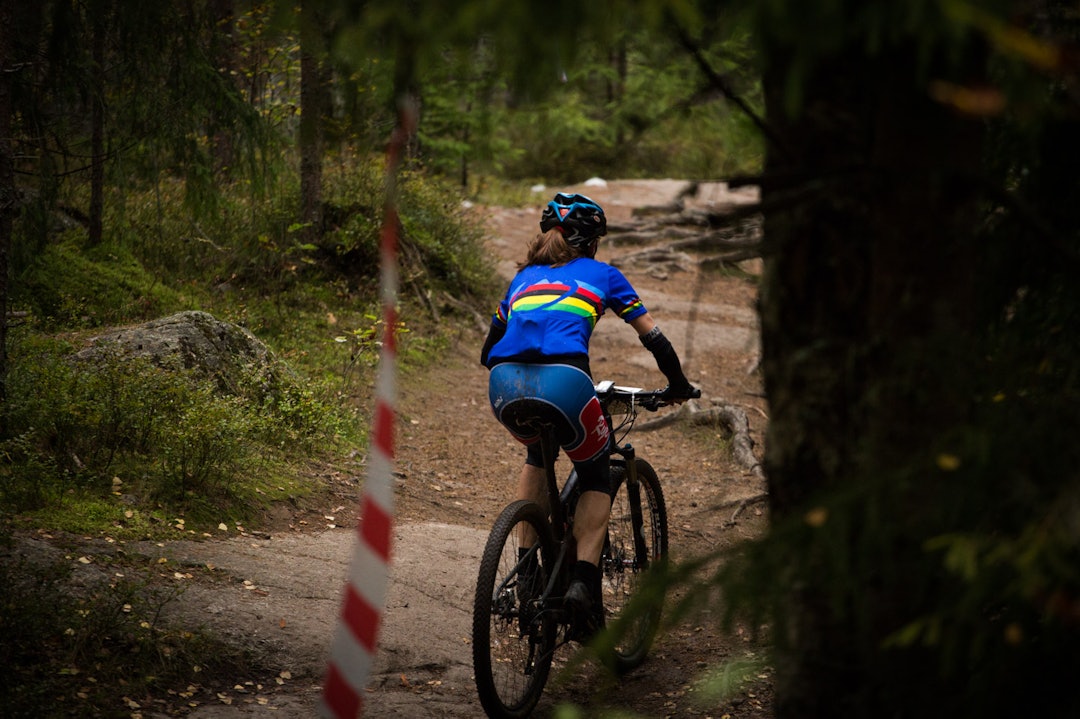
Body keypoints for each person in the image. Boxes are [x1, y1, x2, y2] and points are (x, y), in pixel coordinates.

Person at [480, 191, 698, 639]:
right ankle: (581, 583)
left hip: (504, 384)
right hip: (566, 383)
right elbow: (652, 337)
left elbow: (488, 350)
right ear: (591, 241)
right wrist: (677, 385)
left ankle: (526, 575)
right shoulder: (604, 275)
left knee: (538, 458)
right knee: (597, 473)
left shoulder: (522, 278)